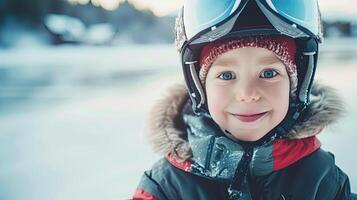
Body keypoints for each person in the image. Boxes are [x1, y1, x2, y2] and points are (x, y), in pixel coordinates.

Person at [132, 0, 357, 199]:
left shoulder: (322, 179)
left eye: (268, 73)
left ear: (296, 87)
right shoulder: (165, 188)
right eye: (227, 75)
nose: (248, 93)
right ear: (200, 90)